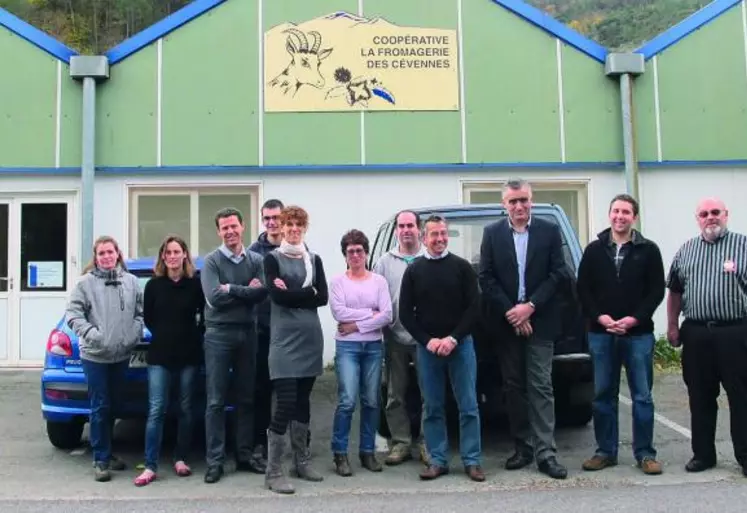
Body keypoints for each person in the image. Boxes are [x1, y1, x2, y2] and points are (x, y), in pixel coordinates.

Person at [478, 178, 568, 480]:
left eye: (524, 200)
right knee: (513, 387)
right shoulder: (491, 234)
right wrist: (512, 312)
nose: (519, 206)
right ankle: (523, 447)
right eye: (513, 201)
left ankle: (546, 452)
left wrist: (530, 307)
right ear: (504, 204)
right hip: (506, 324)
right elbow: (486, 277)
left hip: (540, 321)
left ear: (532, 201)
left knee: (541, 386)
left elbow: (559, 273)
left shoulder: (549, 231)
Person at [576, 194, 665, 475]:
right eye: (616, 211)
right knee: (603, 394)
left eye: (626, 212)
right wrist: (600, 318)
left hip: (638, 335)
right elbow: (583, 290)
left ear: (634, 217)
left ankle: (645, 454)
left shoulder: (649, 250)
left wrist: (634, 319)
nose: (620, 216)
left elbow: (656, 291)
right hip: (601, 335)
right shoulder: (593, 250)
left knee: (642, 396)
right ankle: (605, 451)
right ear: (609, 215)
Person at [399, 215, 484, 482]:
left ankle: (472, 461)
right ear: (424, 238)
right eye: (434, 234)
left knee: (468, 405)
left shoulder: (462, 268)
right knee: (432, 406)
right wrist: (429, 341)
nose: (439, 239)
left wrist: (453, 338)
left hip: (460, 346)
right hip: (428, 350)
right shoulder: (413, 271)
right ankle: (438, 460)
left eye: (443, 233)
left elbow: (475, 308)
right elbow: (405, 313)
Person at [666, 197, 747, 478]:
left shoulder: (743, 246)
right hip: (697, 333)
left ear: (726, 214)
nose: (710, 217)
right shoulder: (686, 250)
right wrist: (673, 325)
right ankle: (703, 455)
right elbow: (675, 291)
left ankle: (745, 456)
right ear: (697, 218)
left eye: (716, 212)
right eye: (704, 213)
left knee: (741, 396)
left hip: (735, 332)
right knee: (699, 395)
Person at [65, 235, 143, 482]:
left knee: (114, 406)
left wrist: (132, 335)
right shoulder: (84, 284)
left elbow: (139, 314)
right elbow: (73, 315)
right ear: (96, 257)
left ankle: (108, 453)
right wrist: (94, 335)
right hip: (95, 356)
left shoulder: (131, 282)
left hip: (121, 356)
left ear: (118, 254)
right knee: (100, 406)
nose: (107, 256)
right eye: (102, 253)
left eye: (110, 252)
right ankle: (100, 459)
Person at [263, 205, 328, 494]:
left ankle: (301, 461)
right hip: (284, 342)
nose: (293, 229)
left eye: (298, 225)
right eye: (289, 224)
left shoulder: (314, 259)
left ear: (304, 228)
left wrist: (293, 294)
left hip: (310, 339)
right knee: (285, 403)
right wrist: (306, 293)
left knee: (302, 402)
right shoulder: (271, 259)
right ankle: (273, 471)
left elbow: (323, 297)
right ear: (282, 226)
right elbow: (277, 297)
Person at [200, 207, 268, 484]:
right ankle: (215, 461)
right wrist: (245, 291)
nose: (230, 231)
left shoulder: (255, 259)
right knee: (215, 401)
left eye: (233, 226)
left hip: (248, 334)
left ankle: (243, 454)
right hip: (218, 335)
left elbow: (262, 292)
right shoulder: (211, 262)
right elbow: (214, 298)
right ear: (219, 231)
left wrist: (231, 288)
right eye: (224, 227)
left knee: (246, 398)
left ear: (243, 227)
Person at [134, 235, 205, 487]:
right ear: (163, 257)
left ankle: (181, 458)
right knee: (156, 409)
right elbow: (149, 319)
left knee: (186, 409)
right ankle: (150, 465)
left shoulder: (195, 285)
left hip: (189, 355)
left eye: (177, 251)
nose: (173, 256)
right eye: (168, 252)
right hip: (160, 355)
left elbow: (203, 317)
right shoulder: (153, 285)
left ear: (185, 255)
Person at [329, 229, 393, 476]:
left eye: (359, 250)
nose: (355, 255)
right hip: (348, 348)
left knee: (372, 400)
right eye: (350, 251)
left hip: (373, 347)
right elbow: (339, 313)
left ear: (366, 253)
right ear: (345, 255)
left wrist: (356, 325)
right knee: (347, 401)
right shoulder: (338, 282)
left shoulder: (379, 281)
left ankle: (368, 452)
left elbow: (387, 315)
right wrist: (371, 314)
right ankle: (340, 453)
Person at [373, 210, 429, 466]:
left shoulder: (429, 257)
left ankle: (428, 443)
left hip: (425, 337)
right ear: (397, 230)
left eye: (410, 225)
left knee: (430, 392)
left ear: (419, 229)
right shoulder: (385, 262)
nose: (406, 230)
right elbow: (375, 298)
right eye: (401, 226)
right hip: (394, 336)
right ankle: (401, 443)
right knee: (396, 394)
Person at [247, 198, 285, 468]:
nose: (272, 223)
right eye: (267, 218)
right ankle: (259, 445)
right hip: (261, 330)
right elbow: (245, 285)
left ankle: (294, 443)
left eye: (276, 218)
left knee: (289, 391)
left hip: (288, 332)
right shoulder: (254, 251)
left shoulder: (295, 247)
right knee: (260, 391)